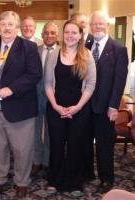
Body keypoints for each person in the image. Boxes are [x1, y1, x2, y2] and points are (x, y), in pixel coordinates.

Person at [0, 10, 41, 198]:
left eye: (10, 24)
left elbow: (34, 74)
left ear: (17, 27)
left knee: (22, 150)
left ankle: (22, 181)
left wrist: (12, 88)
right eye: (3, 24)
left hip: (20, 107)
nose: (6, 28)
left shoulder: (28, 47)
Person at [44, 19, 96, 196]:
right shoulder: (54, 54)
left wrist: (78, 107)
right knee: (57, 145)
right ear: (63, 34)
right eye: (67, 32)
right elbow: (48, 83)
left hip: (79, 110)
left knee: (75, 146)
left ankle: (75, 182)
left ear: (80, 35)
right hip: (55, 108)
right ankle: (54, 179)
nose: (70, 36)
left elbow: (90, 85)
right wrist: (56, 106)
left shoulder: (87, 55)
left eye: (74, 32)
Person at [86, 10, 128, 193]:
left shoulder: (119, 49)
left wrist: (113, 106)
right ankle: (87, 173)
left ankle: (106, 178)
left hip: (105, 107)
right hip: (84, 106)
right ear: (90, 26)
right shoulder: (85, 46)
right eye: (94, 24)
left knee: (104, 145)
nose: (97, 27)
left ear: (108, 25)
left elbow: (119, 81)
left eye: (100, 23)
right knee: (84, 143)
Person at [31, 21, 60, 176]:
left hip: (53, 98)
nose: (49, 35)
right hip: (35, 96)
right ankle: (37, 160)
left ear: (57, 35)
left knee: (51, 130)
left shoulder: (63, 52)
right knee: (35, 130)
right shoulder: (35, 50)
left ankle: (48, 161)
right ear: (42, 35)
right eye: (46, 33)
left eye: (52, 33)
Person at [71, 12, 95, 182]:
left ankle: (87, 172)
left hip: (94, 98)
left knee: (86, 139)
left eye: (85, 22)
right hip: (76, 98)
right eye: (80, 22)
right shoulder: (69, 42)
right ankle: (76, 169)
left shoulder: (93, 42)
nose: (83, 24)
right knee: (77, 139)